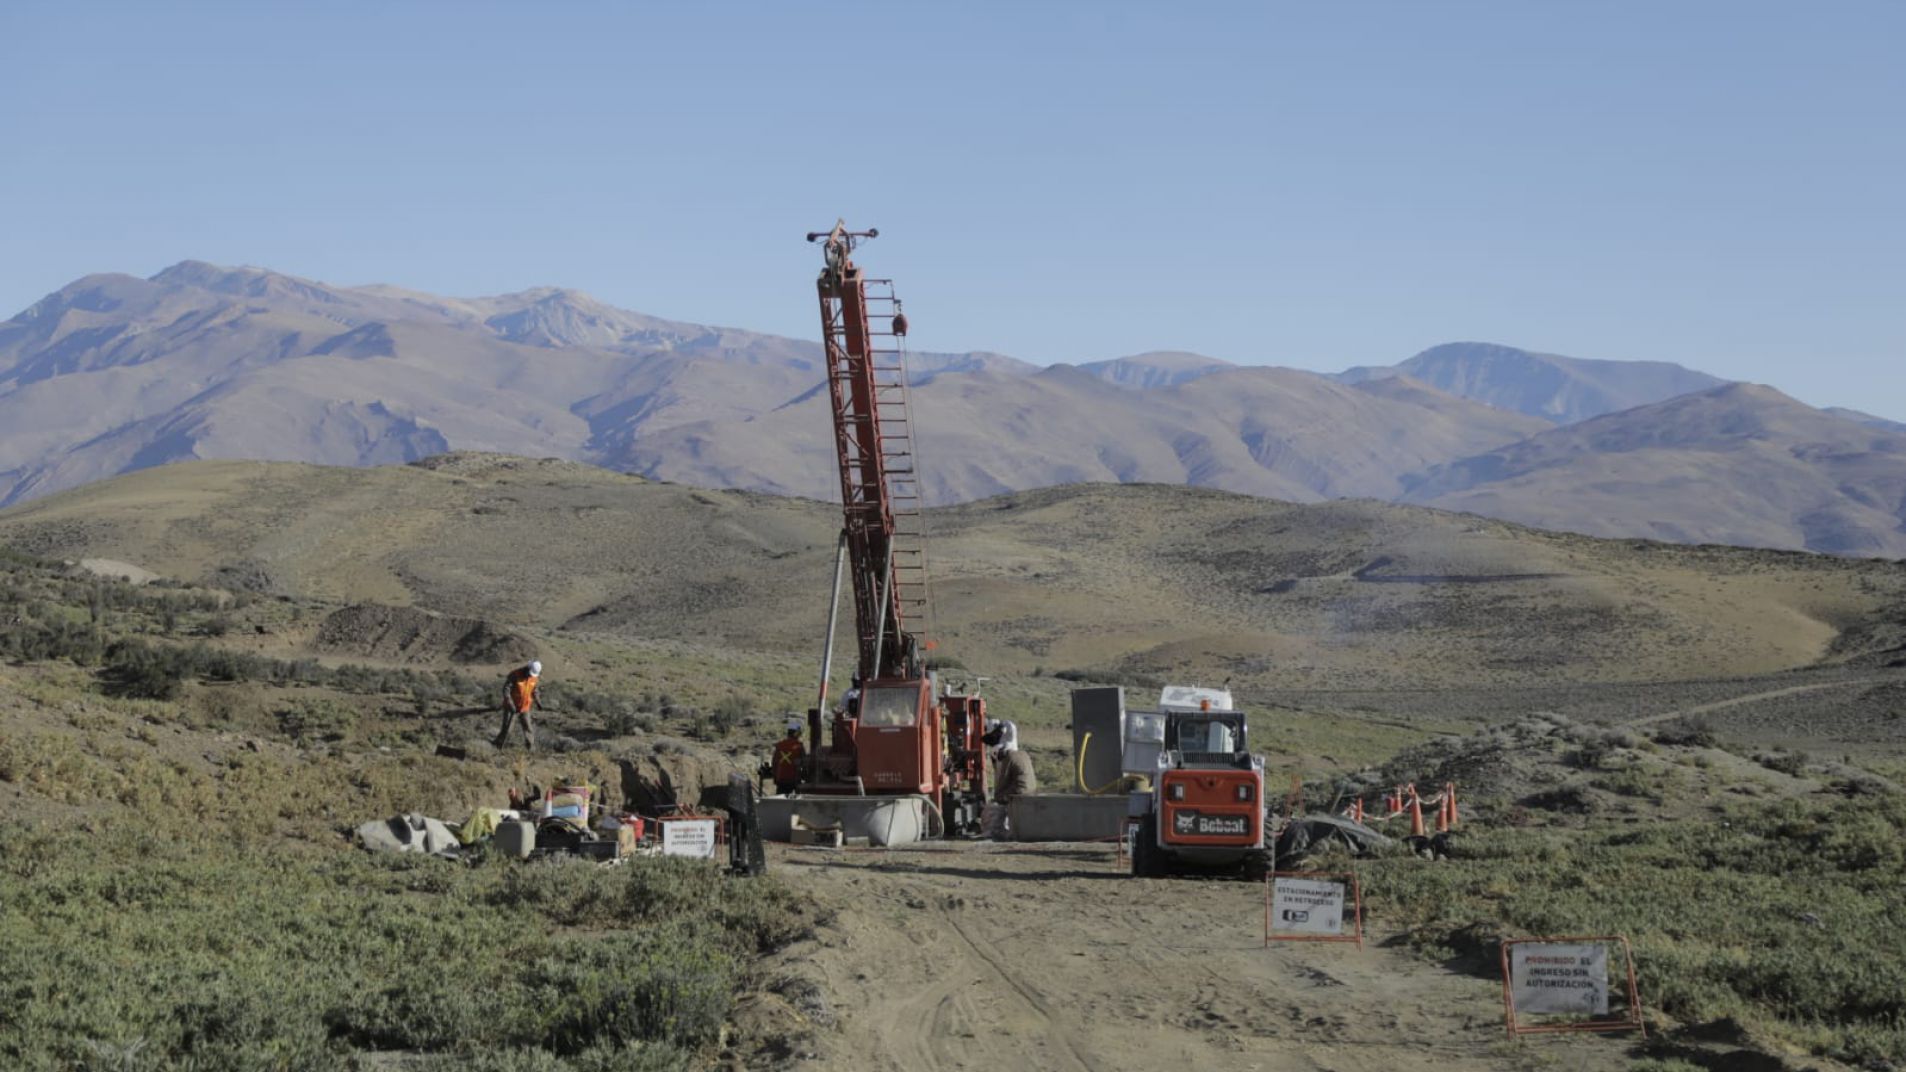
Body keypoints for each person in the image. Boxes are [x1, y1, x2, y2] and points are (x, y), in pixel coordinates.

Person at [983, 718, 1036, 839]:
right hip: (1028, 790)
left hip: (1019, 791)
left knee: (993, 807)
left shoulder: (1008, 757)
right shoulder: (1022, 754)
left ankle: (996, 833)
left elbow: (1003, 781)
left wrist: (996, 798)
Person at [495, 659, 543, 750]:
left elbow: (535, 690)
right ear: (528, 668)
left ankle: (531, 749)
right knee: (507, 729)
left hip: (525, 708)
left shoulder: (534, 678)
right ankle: (498, 746)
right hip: (511, 707)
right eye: (530, 673)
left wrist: (538, 701)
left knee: (528, 728)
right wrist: (510, 703)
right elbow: (506, 690)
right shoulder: (515, 675)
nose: (530, 675)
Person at [770, 717, 806, 796]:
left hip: (781, 779)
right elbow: (805, 762)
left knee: (780, 801)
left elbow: (774, 762)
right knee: (798, 802)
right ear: (796, 733)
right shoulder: (799, 746)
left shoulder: (779, 745)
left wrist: (775, 778)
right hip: (794, 779)